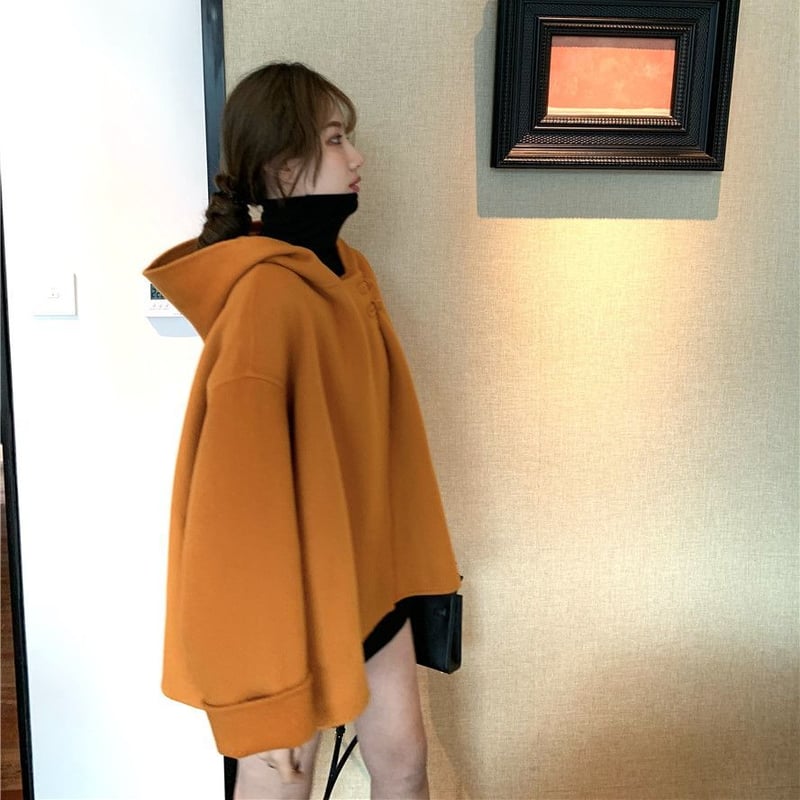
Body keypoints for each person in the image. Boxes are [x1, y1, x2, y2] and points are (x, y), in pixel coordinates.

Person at [144, 62, 461, 799]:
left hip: (370, 582)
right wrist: (264, 677)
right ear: (283, 166)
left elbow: (381, 442)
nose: (357, 157)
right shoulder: (265, 302)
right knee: (282, 780)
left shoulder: (351, 273)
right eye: (336, 138)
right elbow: (236, 509)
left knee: (405, 764)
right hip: (293, 608)